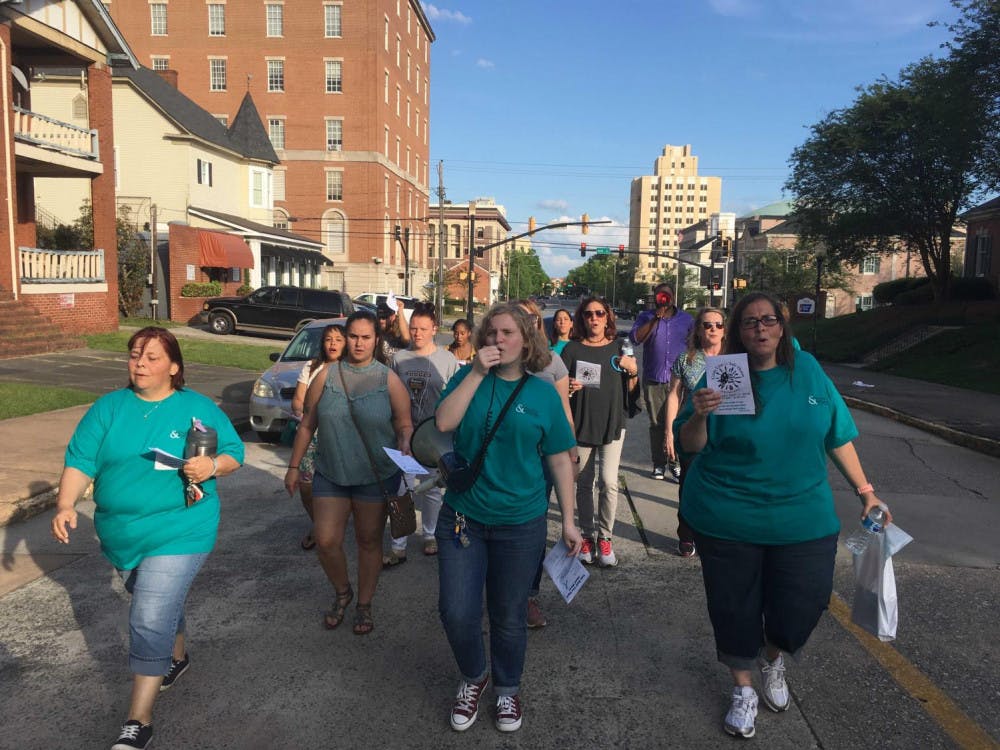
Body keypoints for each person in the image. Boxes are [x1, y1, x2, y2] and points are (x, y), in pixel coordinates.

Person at [675, 292, 891, 740]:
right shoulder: (723, 375)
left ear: (781, 325)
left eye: (768, 320)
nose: (760, 329)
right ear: (739, 331)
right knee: (735, 606)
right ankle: (743, 688)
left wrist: (866, 493)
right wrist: (699, 415)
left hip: (802, 518)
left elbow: (838, 434)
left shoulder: (807, 370)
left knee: (804, 603)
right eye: (750, 322)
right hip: (728, 516)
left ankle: (773, 659)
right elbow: (691, 445)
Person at [51, 327, 244, 750]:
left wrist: (212, 466)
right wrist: (66, 504)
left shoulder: (196, 407)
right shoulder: (109, 408)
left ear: (174, 367)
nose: (140, 363)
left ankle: (138, 721)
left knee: (148, 612)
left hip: (182, 527)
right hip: (121, 533)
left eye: (152, 357)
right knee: (152, 599)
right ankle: (176, 657)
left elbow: (234, 452)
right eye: (136, 354)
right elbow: (81, 458)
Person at [435, 303, 582, 733]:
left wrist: (569, 521)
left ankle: (507, 689)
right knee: (456, 611)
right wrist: (476, 373)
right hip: (464, 517)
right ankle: (475, 676)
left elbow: (559, 461)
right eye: (492, 332)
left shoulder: (541, 393)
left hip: (521, 522)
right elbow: (444, 421)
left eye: (508, 333)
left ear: (526, 340)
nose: (498, 340)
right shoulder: (469, 377)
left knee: (509, 615)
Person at [284, 310, 413, 636]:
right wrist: (294, 466)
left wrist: (406, 442)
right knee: (326, 540)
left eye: (365, 337)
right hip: (331, 471)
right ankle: (343, 592)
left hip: (375, 475)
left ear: (376, 340)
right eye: (353, 336)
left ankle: (364, 605)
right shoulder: (326, 376)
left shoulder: (388, 379)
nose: (358, 343)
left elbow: (403, 422)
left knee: (369, 541)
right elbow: (307, 425)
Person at [561, 297, 637, 567]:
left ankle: (606, 538)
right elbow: (558, 390)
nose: (594, 318)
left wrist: (633, 371)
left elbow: (631, 392)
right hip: (581, 424)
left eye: (600, 313)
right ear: (582, 319)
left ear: (608, 317)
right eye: (588, 314)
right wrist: (568, 386)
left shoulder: (619, 347)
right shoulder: (571, 349)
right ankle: (587, 536)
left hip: (611, 424)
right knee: (583, 483)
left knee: (609, 482)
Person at [516, 299, 578, 629]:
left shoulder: (553, 362)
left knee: (535, 526)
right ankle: (501, 590)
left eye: (533, 319)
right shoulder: (496, 360)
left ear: (541, 324)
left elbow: (564, 409)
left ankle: (528, 596)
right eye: (520, 318)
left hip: (544, 458)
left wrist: (571, 450)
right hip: (507, 455)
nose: (528, 324)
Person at [383, 302, 460, 566]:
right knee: (402, 488)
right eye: (413, 328)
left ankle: (430, 535)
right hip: (403, 435)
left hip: (432, 438)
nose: (417, 333)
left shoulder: (447, 360)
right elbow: (389, 395)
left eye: (423, 329)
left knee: (431, 491)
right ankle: (398, 543)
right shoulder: (399, 358)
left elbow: (455, 397)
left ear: (434, 329)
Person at [663, 307, 725, 558]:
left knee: (722, 486)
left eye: (718, 325)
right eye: (707, 325)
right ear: (698, 329)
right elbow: (673, 395)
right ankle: (686, 536)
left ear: (725, 329)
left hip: (724, 433)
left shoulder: (735, 359)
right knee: (689, 485)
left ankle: (717, 532)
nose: (713, 329)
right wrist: (668, 432)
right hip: (692, 432)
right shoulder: (686, 359)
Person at [629, 283, 694, 481]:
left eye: (667, 295)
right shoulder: (645, 317)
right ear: (655, 298)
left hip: (681, 380)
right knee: (657, 424)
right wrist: (656, 318)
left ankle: (675, 462)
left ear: (674, 297)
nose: (664, 299)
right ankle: (659, 464)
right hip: (654, 379)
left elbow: (695, 343)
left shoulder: (687, 319)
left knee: (677, 423)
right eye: (660, 296)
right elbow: (635, 338)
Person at [290, 324, 346, 551]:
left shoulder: (348, 369)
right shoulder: (312, 367)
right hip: (311, 434)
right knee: (306, 486)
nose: (333, 344)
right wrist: (303, 411)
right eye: (328, 339)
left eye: (338, 339)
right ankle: (320, 526)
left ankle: (328, 528)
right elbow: (298, 399)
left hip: (338, 436)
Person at [377, 297, 411, 362]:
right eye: (379, 317)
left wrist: (400, 310)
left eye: (384, 317)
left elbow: (406, 338)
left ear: (393, 317)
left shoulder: (399, 330)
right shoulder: (377, 332)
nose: (381, 320)